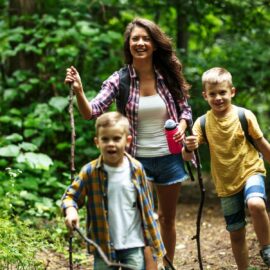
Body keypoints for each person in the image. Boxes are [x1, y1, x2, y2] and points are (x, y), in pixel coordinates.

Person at [65, 17, 192, 269]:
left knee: (167, 219)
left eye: (146, 38)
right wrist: (79, 91)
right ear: (129, 44)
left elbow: (185, 109)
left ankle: (167, 265)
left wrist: (182, 126)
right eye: (136, 39)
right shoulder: (120, 79)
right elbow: (91, 111)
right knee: (142, 219)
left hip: (170, 156)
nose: (141, 43)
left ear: (155, 44)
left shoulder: (168, 76)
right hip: (135, 160)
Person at [183, 67, 270, 269]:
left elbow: (261, 144)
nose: (218, 98)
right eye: (213, 94)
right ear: (205, 96)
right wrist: (188, 147)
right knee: (236, 232)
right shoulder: (202, 123)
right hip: (225, 183)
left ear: (232, 91)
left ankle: (266, 247)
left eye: (222, 92)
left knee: (256, 204)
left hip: (250, 170)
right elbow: (187, 156)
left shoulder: (244, 116)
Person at [62, 112, 166, 270]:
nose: (111, 144)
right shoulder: (90, 172)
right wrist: (71, 211)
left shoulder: (137, 169)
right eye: (105, 139)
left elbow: (146, 208)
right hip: (103, 245)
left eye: (117, 138)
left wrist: (151, 245)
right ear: (97, 142)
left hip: (133, 243)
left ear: (128, 141)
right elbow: (70, 197)